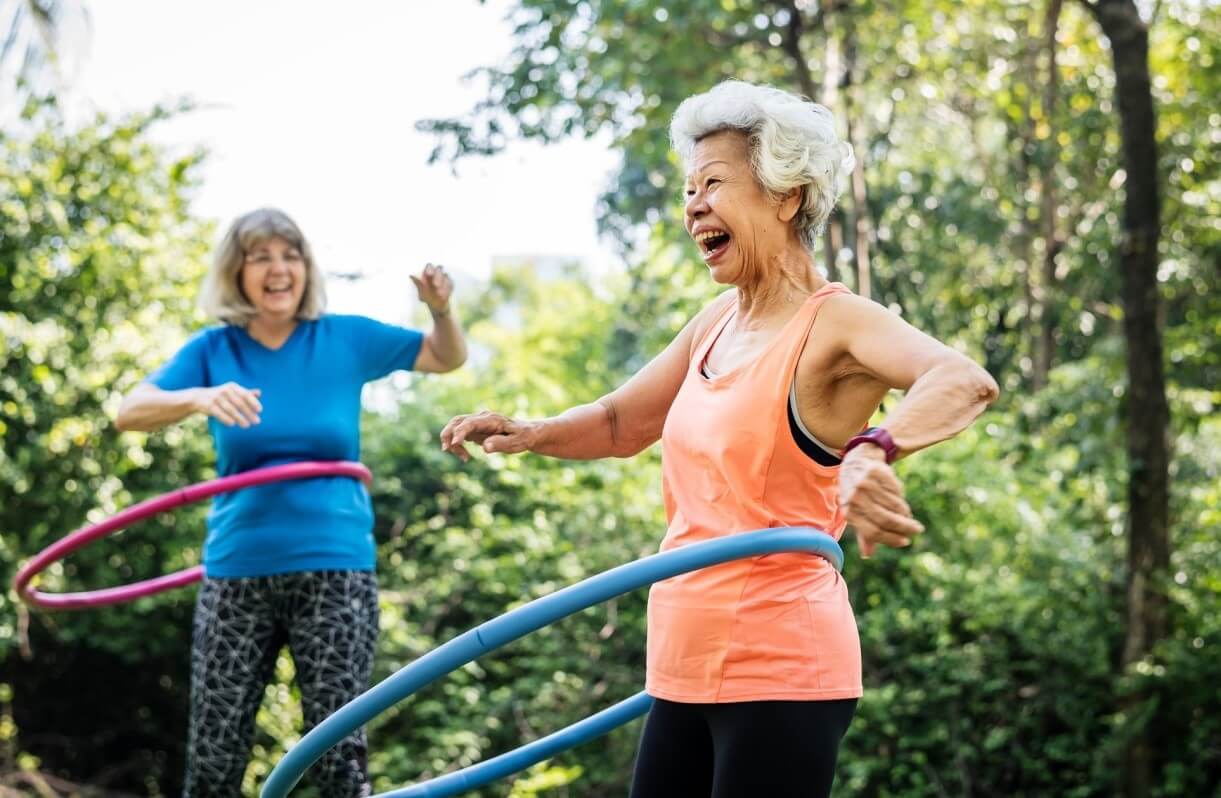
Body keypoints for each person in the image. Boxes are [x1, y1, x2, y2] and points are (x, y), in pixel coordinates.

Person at [439, 80, 999, 798]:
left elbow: (962, 379)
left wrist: (874, 449)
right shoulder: (715, 322)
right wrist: (531, 431)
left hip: (781, 666)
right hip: (678, 664)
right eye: (686, 189)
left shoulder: (836, 322)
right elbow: (620, 423)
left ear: (785, 195)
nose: (692, 205)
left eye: (713, 184)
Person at [116, 208, 467, 796]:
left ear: (306, 267)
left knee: (337, 758)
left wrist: (440, 308)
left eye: (290, 255)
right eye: (261, 256)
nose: (279, 269)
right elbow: (129, 410)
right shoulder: (213, 350)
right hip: (237, 573)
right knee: (214, 755)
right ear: (238, 271)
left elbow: (445, 356)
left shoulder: (344, 337)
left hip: (335, 571)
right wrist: (199, 397)